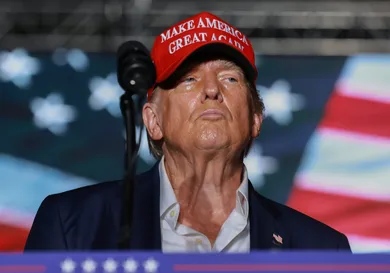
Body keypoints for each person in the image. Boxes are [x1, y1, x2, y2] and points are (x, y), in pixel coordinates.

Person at [24, 12, 351, 252]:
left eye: (230, 79)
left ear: (255, 118)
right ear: (153, 121)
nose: (211, 90)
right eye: (188, 79)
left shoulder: (321, 249)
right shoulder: (72, 225)